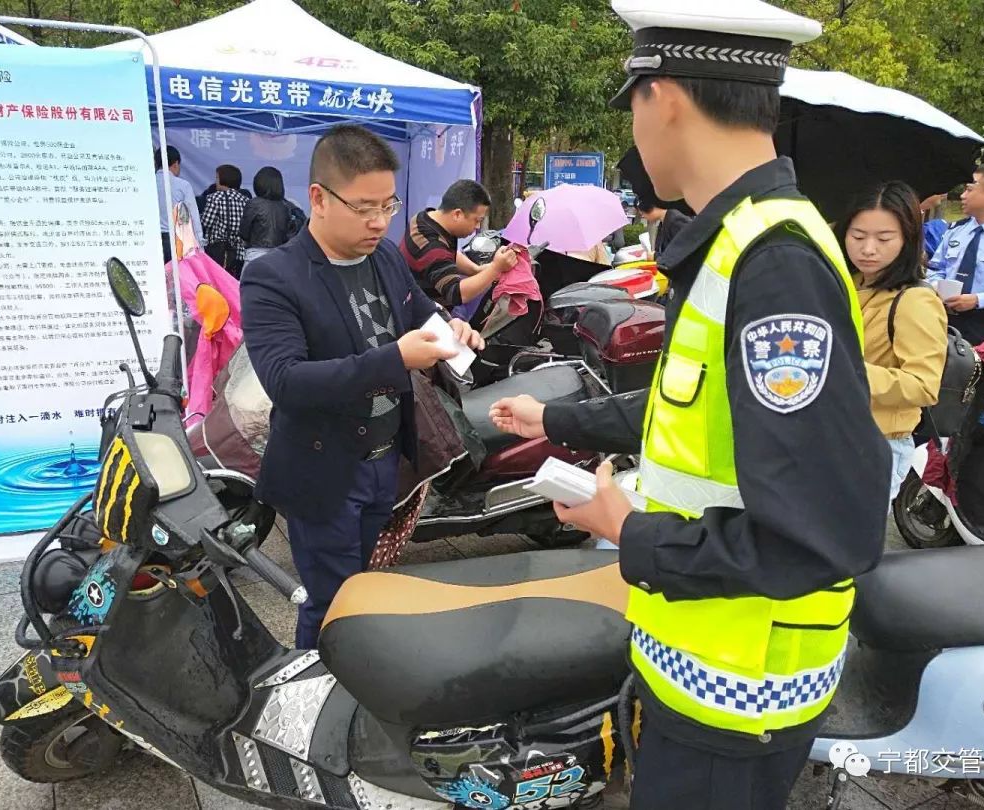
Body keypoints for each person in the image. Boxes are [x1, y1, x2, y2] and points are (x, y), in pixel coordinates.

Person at [488, 1, 890, 807]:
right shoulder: (737, 239)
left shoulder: (774, 262)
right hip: (704, 665)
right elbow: (692, 410)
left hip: (743, 690)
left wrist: (629, 532)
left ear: (662, 96)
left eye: (631, 103)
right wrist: (555, 419)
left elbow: (827, 532)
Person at [240, 125, 483, 650]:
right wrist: (394, 358)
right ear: (318, 199)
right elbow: (287, 381)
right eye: (364, 208)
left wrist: (450, 326)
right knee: (332, 603)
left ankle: (354, 683)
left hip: (385, 461)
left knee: (365, 590)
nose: (379, 222)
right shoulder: (274, 277)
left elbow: (417, 308)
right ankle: (310, 704)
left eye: (389, 205)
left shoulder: (385, 256)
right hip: (324, 469)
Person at [838, 181, 947, 500]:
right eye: (857, 236)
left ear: (908, 239)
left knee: (851, 545)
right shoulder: (847, 283)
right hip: (832, 434)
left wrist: (848, 373)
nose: (868, 249)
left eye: (884, 238)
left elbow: (924, 385)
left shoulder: (914, 301)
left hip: (875, 444)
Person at [927, 163, 984, 345]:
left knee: (979, 373)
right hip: (942, 319)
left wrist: (977, 300)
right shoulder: (956, 230)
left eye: (969, 189)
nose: (962, 195)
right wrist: (937, 285)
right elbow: (935, 268)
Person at [399, 179, 516, 309]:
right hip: (425, 319)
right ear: (457, 214)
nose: (477, 227)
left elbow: (447, 255)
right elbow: (457, 294)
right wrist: (496, 268)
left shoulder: (425, 218)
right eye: (477, 220)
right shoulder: (431, 247)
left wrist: (475, 270)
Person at [155, 145, 204, 263]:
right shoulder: (183, 185)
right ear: (176, 163)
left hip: (151, 240)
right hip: (176, 240)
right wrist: (200, 245)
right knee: (175, 279)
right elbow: (193, 216)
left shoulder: (147, 183)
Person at [240, 166, 296, 267]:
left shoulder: (253, 204)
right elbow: (288, 234)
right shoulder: (286, 206)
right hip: (278, 256)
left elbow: (244, 232)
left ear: (258, 184)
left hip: (255, 254)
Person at [201, 164, 248, 278]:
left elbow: (206, 222)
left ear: (224, 179)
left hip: (218, 251)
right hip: (239, 252)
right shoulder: (245, 200)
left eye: (217, 178)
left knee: (217, 283)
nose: (216, 181)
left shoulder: (215, 198)